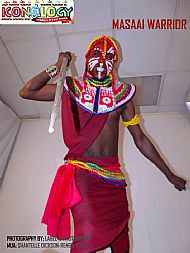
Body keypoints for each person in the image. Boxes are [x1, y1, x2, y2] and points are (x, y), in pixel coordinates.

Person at [19, 35, 186, 253]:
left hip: (114, 181)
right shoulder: (71, 87)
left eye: (109, 57)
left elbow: (141, 139)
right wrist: (57, 66)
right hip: (84, 177)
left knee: (122, 243)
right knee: (86, 239)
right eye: (97, 54)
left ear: (115, 64)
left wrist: (170, 175)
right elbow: (26, 91)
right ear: (87, 58)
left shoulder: (123, 95)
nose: (102, 60)